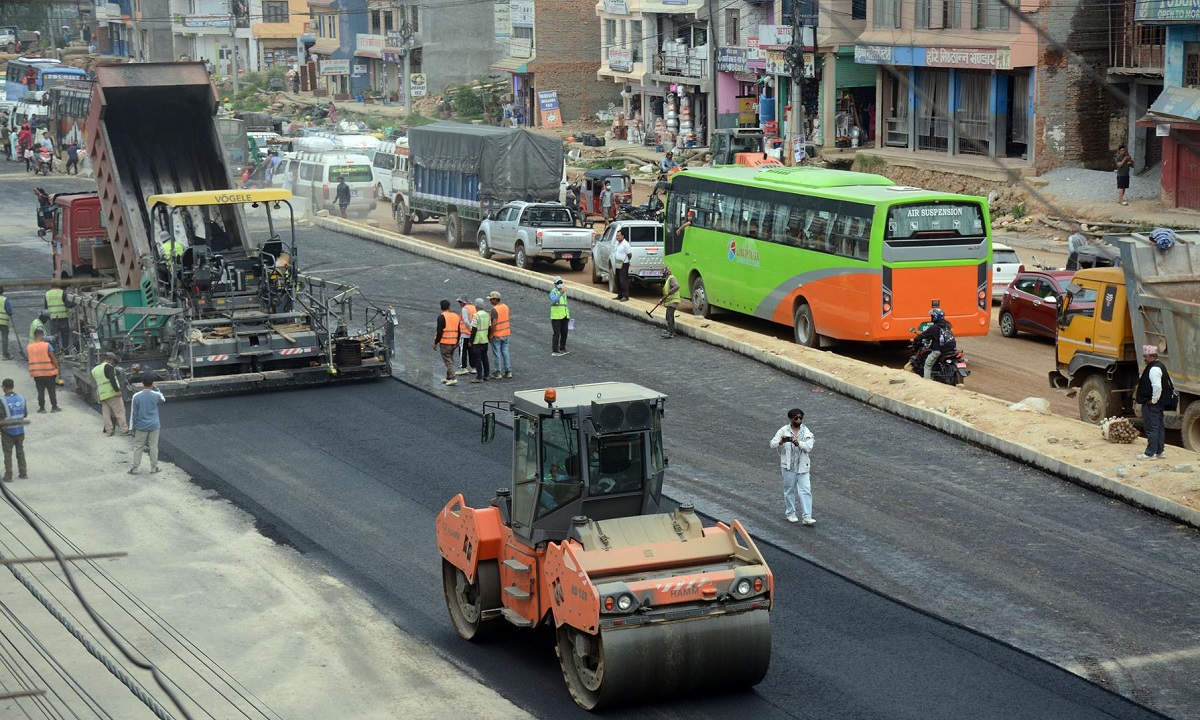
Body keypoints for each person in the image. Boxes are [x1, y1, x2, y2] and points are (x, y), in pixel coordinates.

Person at [769, 408, 816, 525]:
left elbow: (809, 447)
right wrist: (781, 441)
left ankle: (807, 516)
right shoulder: (783, 430)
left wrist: (798, 443)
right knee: (789, 490)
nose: (799, 420)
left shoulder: (806, 432)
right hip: (788, 467)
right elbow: (772, 444)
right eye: (796, 418)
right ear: (791, 419)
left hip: (803, 467)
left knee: (805, 491)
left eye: (800, 418)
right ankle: (790, 513)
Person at [1135, 345, 1171, 461]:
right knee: (1159, 427)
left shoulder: (1154, 369)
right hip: (1158, 403)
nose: (1144, 359)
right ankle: (1160, 451)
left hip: (1153, 404)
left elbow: (1157, 387)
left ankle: (1150, 453)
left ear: (1152, 356)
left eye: (1145, 356)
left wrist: (1153, 400)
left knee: (1152, 428)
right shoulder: (1159, 366)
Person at [128, 376, 166, 475]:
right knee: (153, 446)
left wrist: (132, 427)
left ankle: (135, 468)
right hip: (154, 424)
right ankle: (154, 467)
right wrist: (156, 388)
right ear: (152, 383)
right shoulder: (156, 394)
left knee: (138, 446)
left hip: (141, 425)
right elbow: (162, 400)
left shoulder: (136, 396)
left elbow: (134, 413)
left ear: (142, 383)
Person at [92, 352, 128, 436]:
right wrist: (117, 390)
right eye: (114, 361)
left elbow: (96, 380)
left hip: (102, 395)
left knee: (106, 414)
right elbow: (112, 379)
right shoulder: (109, 367)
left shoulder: (95, 369)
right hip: (112, 394)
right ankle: (124, 430)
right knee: (120, 412)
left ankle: (109, 430)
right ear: (111, 360)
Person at [26, 328, 60, 413]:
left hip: (37, 374)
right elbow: (53, 358)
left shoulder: (29, 347)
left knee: (40, 391)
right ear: (42, 336)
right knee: (51, 391)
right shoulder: (47, 345)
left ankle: (42, 408)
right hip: (49, 373)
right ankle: (54, 407)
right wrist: (57, 367)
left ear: (34, 336)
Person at [915, 307, 955, 380]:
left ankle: (927, 382)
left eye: (932, 316)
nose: (931, 317)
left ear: (935, 317)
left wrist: (915, 339)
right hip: (951, 349)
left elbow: (922, 335)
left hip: (939, 350)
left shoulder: (934, 328)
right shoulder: (947, 325)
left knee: (927, 365)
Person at [1, 378, 28, 482]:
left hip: (7, 432)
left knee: (8, 453)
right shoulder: (21, 398)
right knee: (20, 451)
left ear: (4, 387)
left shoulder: (2, 400)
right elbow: (25, 414)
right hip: (20, 431)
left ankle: (8, 476)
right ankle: (23, 472)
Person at [487, 290, 513, 379]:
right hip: (506, 334)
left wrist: (491, 334)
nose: (490, 301)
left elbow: (494, 323)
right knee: (505, 352)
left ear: (495, 299)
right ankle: (508, 371)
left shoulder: (494, 310)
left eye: (491, 299)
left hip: (497, 334)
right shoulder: (505, 307)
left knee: (496, 353)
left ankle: (497, 372)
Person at [434, 299, 459, 386]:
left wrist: (435, 342)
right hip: (454, 341)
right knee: (451, 359)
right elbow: (459, 330)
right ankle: (448, 377)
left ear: (441, 307)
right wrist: (457, 341)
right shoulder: (456, 316)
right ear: (449, 306)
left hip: (445, 342)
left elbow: (439, 331)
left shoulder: (441, 317)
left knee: (448, 361)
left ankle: (453, 378)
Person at [469, 297, 492, 383]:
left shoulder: (476, 316)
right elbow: (490, 328)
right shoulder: (487, 315)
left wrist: (471, 341)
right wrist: (489, 337)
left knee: (478, 359)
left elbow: (474, 330)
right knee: (485, 358)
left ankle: (479, 377)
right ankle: (486, 375)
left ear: (476, 306)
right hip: (485, 340)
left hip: (477, 341)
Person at [44, 283, 72, 352]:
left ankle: (54, 352)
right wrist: (75, 303)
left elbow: (45, 308)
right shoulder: (62, 293)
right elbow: (68, 304)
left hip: (53, 320)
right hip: (63, 319)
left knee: (54, 337)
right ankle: (65, 352)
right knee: (65, 336)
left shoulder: (47, 294)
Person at [455, 297, 477, 376]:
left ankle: (463, 367)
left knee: (462, 351)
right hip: (472, 335)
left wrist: (470, 329)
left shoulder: (465, 309)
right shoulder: (474, 307)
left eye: (460, 302)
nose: (460, 304)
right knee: (471, 351)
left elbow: (466, 320)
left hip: (465, 334)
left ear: (463, 302)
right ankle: (473, 367)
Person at [549, 277, 571, 356]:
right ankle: (555, 350)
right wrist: (560, 294)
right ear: (555, 284)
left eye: (561, 282)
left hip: (564, 315)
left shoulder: (564, 292)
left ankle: (562, 348)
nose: (560, 284)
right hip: (556, 316)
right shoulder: (553, 292)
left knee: (564, 333)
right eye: (558, 283)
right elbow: (554, 301)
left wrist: (568, 315)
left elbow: (565, 305)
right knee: (557, 333)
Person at [611, 229, 631, 301]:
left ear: (623, 236)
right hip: (617, 264)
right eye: (616, 236)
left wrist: (626, 261)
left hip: (624, 264)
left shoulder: (625, 244)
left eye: (618, 236)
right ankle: (620, 295)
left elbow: (629, 254)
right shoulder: (617, 243)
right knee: (617, 280)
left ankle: (625, 296)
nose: (617, 237)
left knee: (623, 280)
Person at [661, 266, 681, 338]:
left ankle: (671, 332)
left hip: (673, 300)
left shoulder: (671, 278)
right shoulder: (668, 280)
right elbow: (666, 293)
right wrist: (662, 299)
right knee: (669, 316)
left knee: (669, 315)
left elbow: (677, 286)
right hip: (671, 301)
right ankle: (671, 330)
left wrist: (670, 292)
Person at [0, 286, 13, 360]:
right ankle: (5, 354)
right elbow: (9, 311)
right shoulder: (5, 300)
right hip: (3, 322)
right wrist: (10, 313)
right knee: (4, 337)